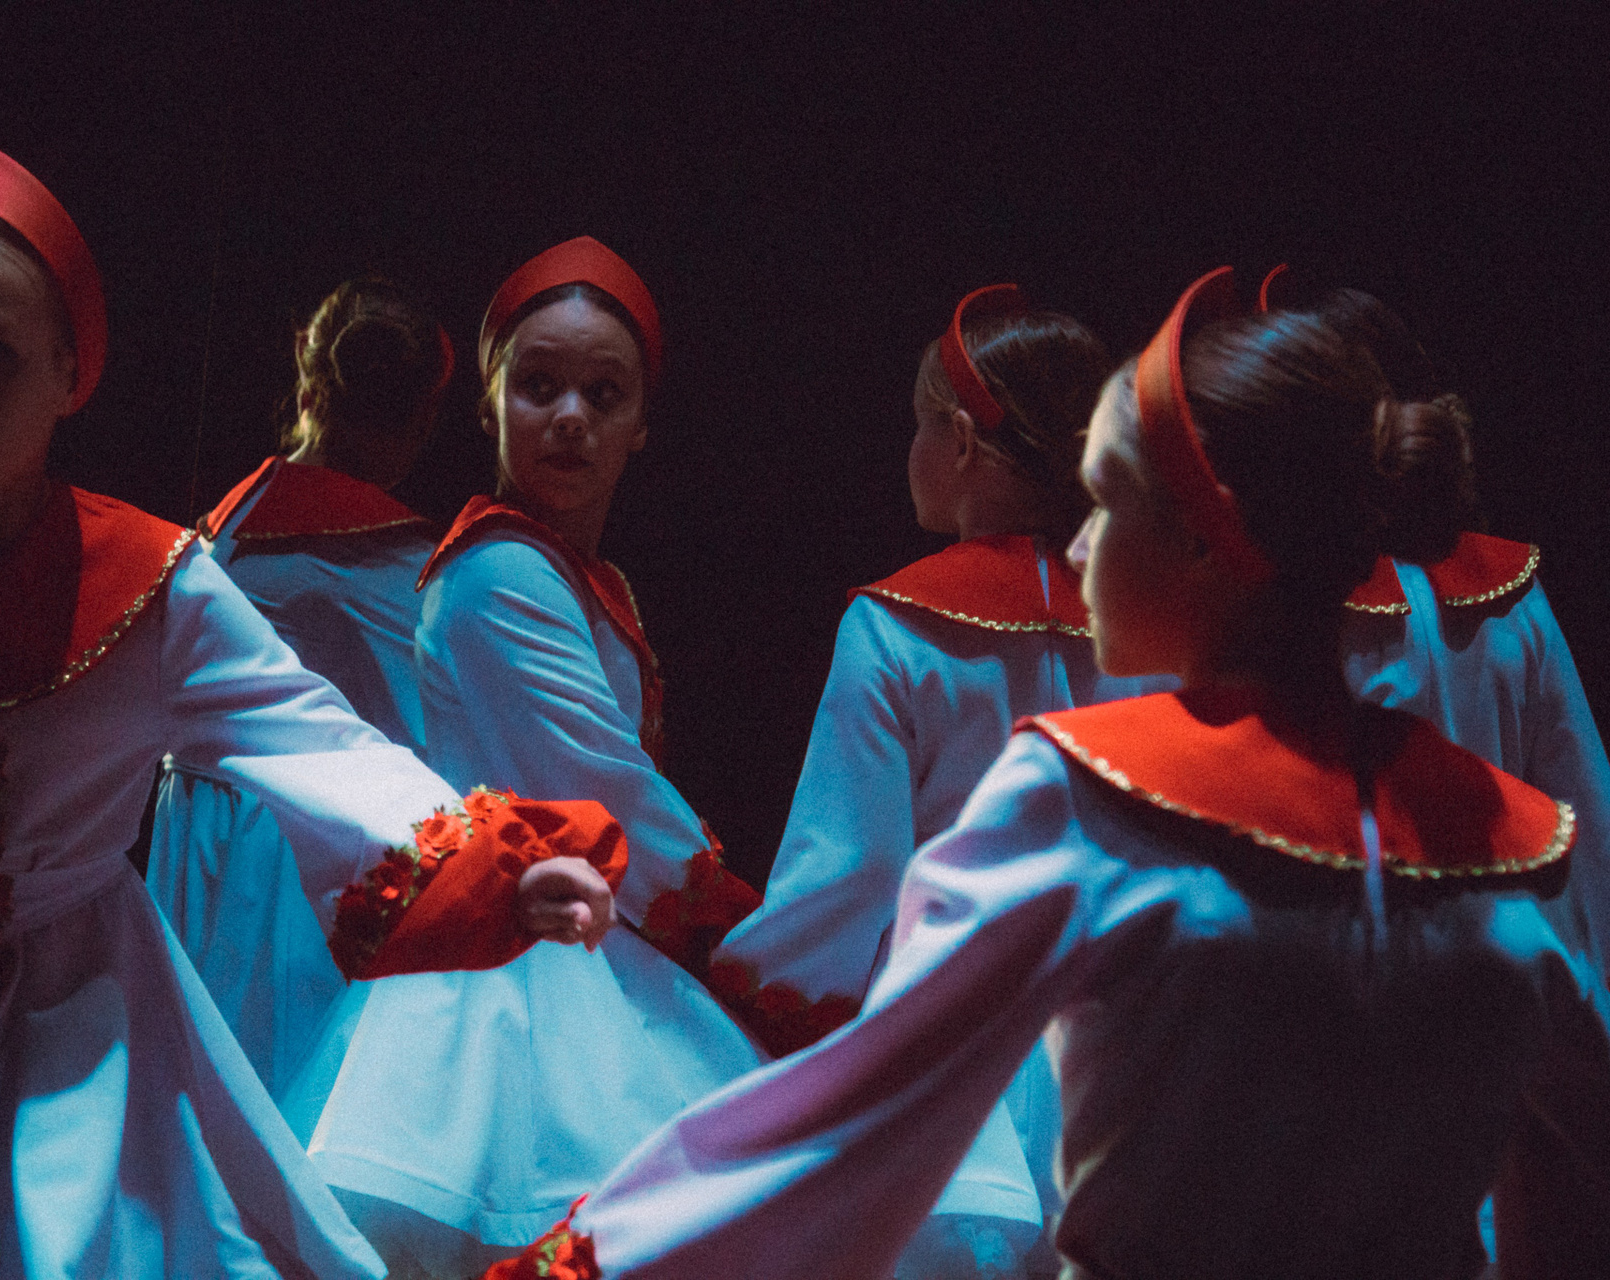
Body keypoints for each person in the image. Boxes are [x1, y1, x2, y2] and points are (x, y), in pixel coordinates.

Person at [484, 269, 1610, 1280]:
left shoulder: (1090, 798)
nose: (1076, 543)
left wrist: (579, 1263)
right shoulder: (1514, 845)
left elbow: (853, 1116)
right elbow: (1571, 1185)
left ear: (1206, 542)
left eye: (1106, 500)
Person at [0, 144, 625, 1280]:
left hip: (61, 1032)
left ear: (67, 369)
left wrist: (500, 860)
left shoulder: (146, 585)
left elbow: (319, 743)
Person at [281, 237, 767, 1279]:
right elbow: (607, 788)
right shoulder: (500, 569)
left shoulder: (581, 574)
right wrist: (750, 936)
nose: (570, 417)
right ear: (489, 401)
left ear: (642, 424)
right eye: (539, 386)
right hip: (524, 965)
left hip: (586, 936)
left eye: (604, 394)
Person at [707, 286, 1172, 1277]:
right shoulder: (1152, 623)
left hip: (959, 1047)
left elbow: (849, 875)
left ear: (959, 440)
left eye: (920, 424)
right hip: (1132, 1031)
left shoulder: (895, 626)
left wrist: (742, 989)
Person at [149, 276, 452, 1097]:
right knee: (282, 1090)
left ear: (308, 380)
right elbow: (437, 737)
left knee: (202, 1081)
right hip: (296, 850)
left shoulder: (227, 525)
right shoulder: (400, 568)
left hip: (198, 825)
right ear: (422, 422)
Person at [1263, 280, 1610, 986]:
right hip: (1506, 967)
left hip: (1360, 981)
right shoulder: (1512, 596)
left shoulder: (1299, 600)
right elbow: (1586, 816)